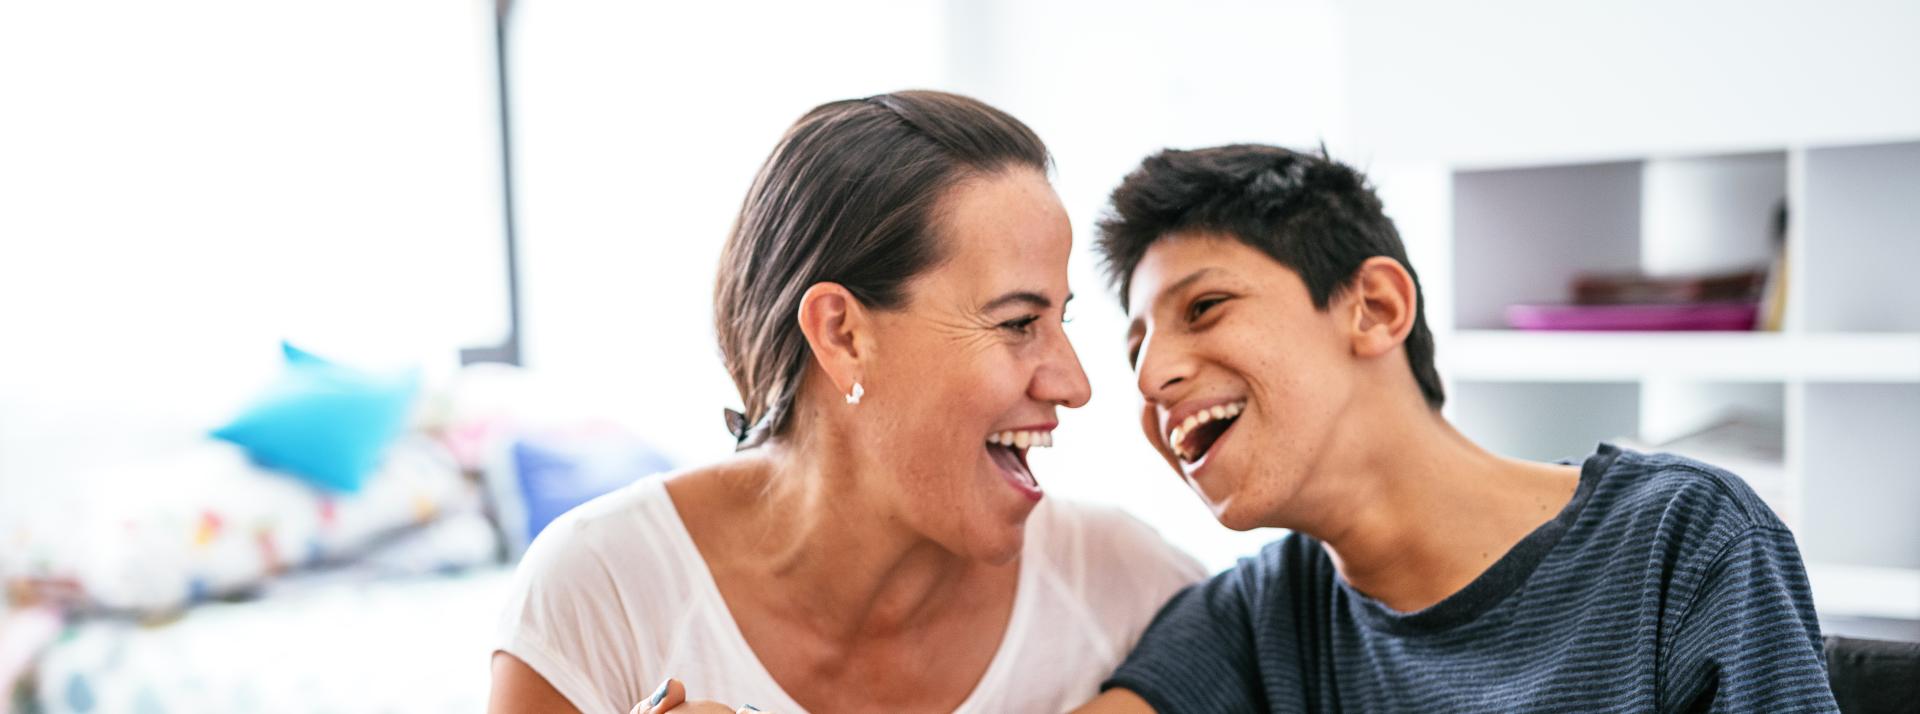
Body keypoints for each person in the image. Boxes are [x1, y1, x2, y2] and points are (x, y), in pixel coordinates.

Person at [487, 91, 1203, 714]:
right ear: (842, 334)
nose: (1075, 385)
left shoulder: (1126, 584)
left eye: (1060, 321)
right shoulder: (602, 591)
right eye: (1018, 323)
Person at [1075, 144, 1838, 713]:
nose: (1149, 380)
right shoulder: (1256, 615)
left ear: (1374, 308)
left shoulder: (1683, 541)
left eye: (1203, 308)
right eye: (1136, 349)